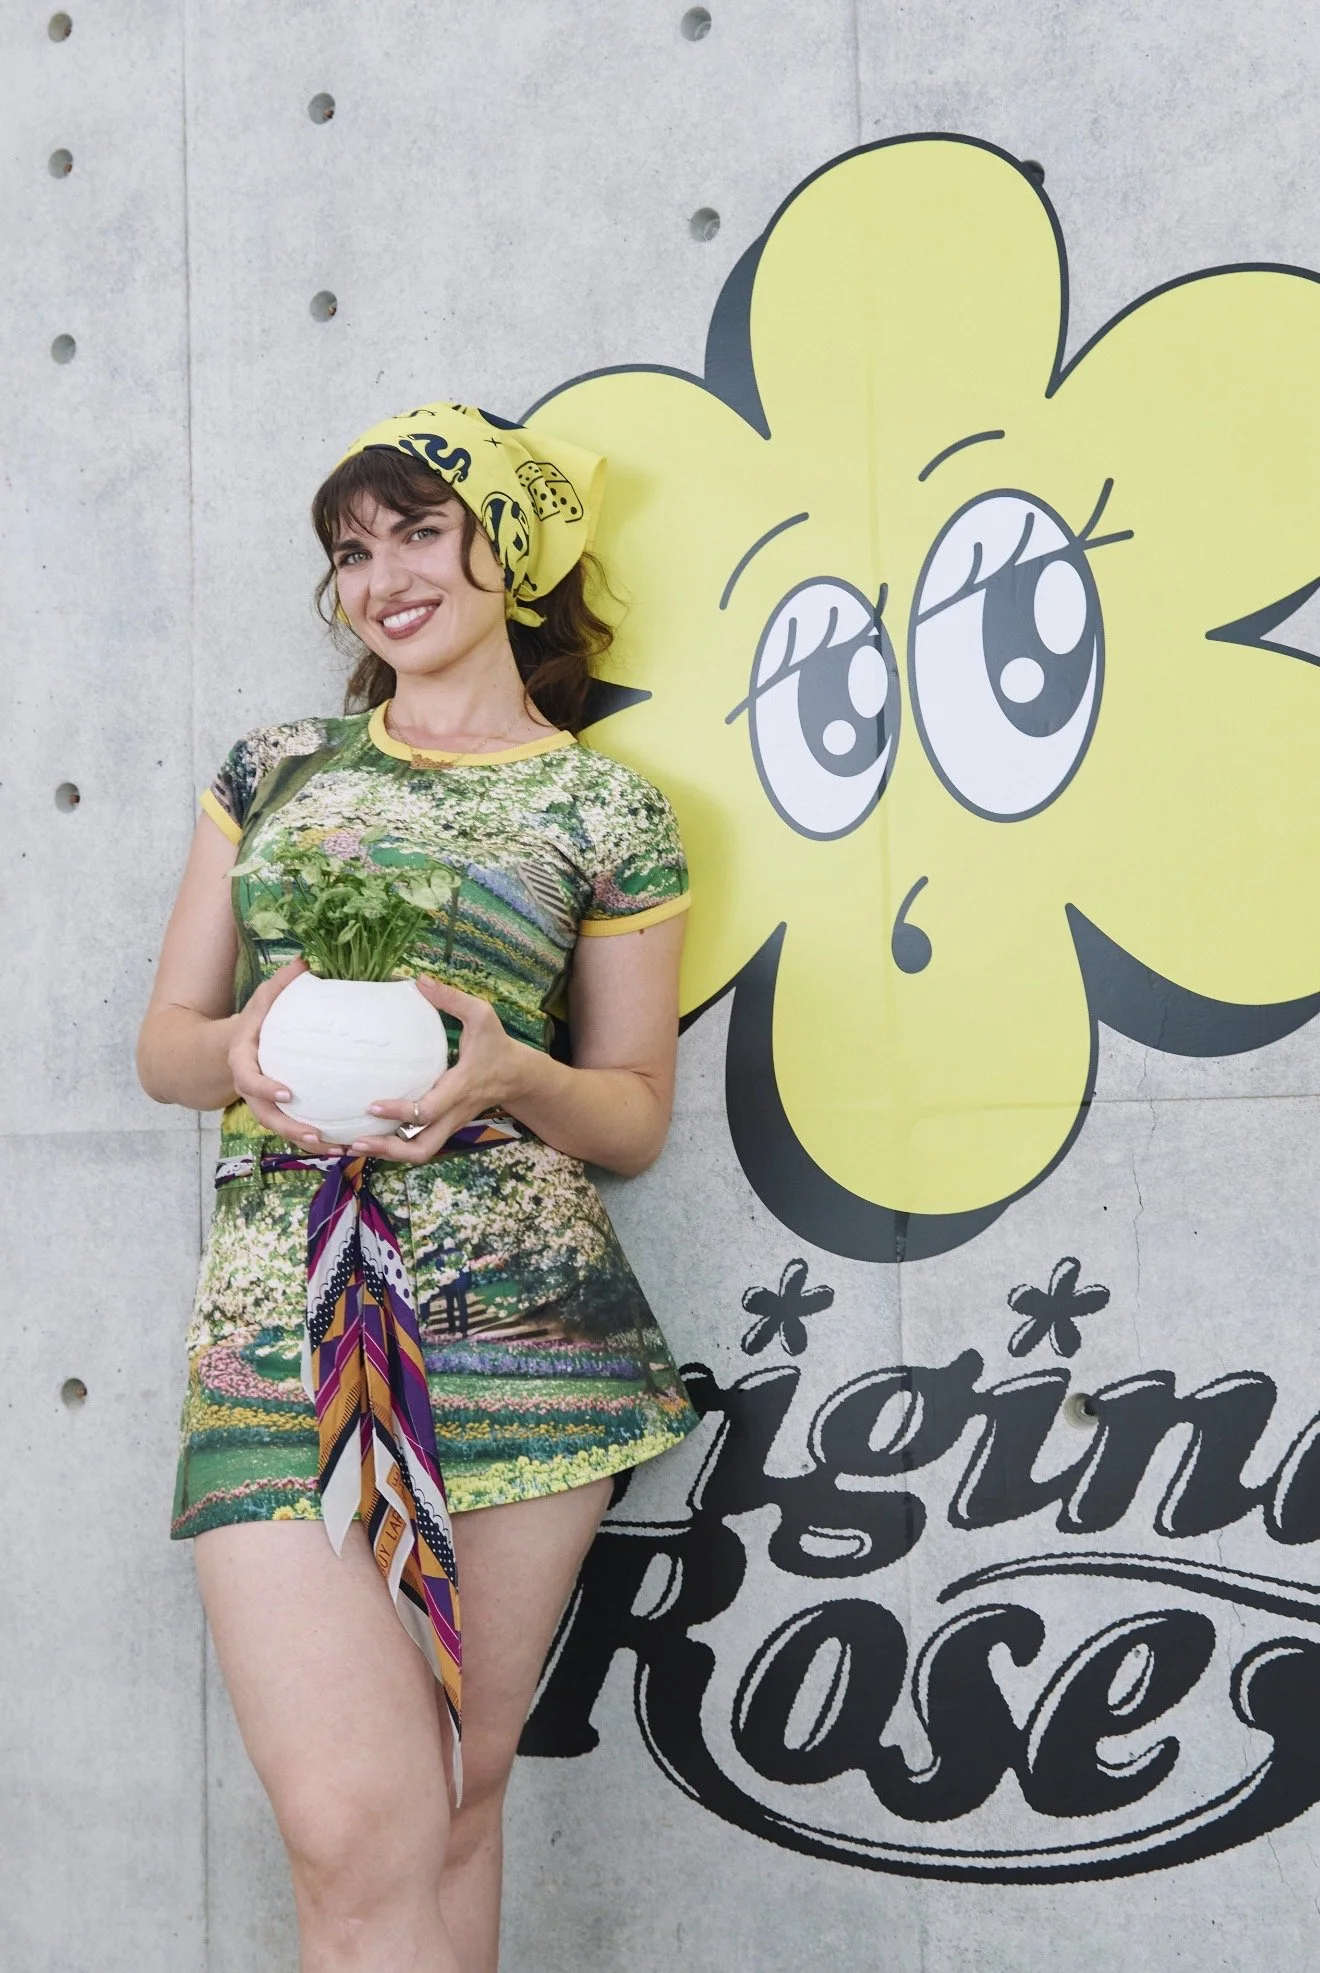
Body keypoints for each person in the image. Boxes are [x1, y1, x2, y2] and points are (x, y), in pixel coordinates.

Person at [137, 402, 698, 1972]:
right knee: (354, 1824)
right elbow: (165, 1048)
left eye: (417, 534)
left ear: (508, 551)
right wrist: (239, 1050)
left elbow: (634, 1114)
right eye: (352, 552)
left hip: (528, 1337)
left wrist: (512, 1072)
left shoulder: (607, 808)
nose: (381, 578)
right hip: (283, 1322)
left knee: (454, 1800)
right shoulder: (276, 770)